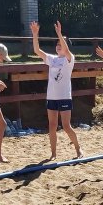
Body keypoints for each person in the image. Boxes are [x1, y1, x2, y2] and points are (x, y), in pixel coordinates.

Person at [30, 20, 83, 160]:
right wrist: (35, 34)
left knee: (66, 126)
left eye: (61, 44)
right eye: (57, 44)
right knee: (52, 126)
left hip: (65, 96)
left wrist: (59, 33)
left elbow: (66, 50)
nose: (59, 46)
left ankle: (78, 149)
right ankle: (53, 154)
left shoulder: (69, 59)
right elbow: (37, 51)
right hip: (52, 97)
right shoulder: (52, 59)